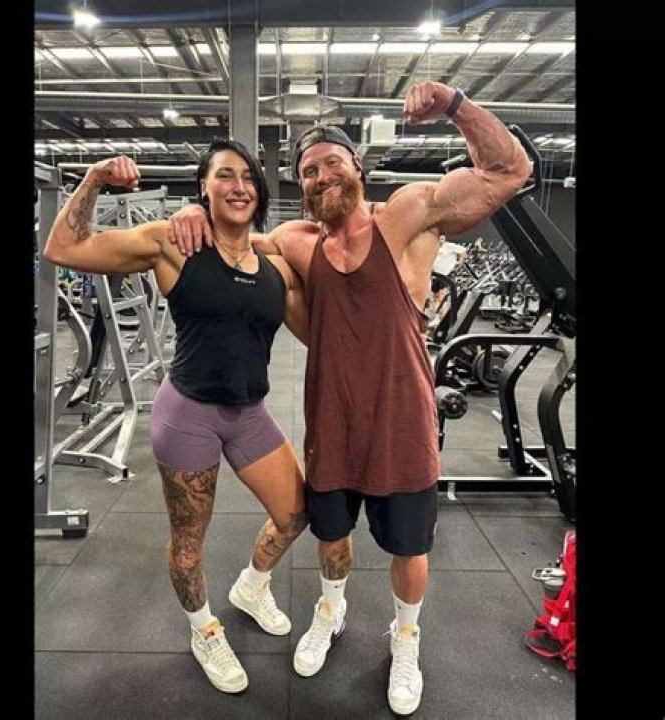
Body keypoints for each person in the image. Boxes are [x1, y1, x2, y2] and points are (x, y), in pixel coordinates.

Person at [168, 81, 531, 715]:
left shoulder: (410, 213)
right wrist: (191, 212)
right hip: (331, 423)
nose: (321, 175)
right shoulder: (296, 241)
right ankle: (330, 610)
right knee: (331, 537)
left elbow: (510, 169)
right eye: (308, 171)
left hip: (402, 422)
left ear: (357, 166)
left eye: (332, 162)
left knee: (410, 549)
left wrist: (454, 104)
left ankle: (406, 637)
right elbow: (233, 240)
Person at [42, 138, 310, 695]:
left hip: (249, 412)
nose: (239, 186)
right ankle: (203, 629)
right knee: (189, 542)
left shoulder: (274, 263)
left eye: (248, 177)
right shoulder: (173, 244)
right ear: (204, 188)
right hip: (188, 414)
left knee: (296, 514)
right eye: (224, 175)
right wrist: (94, 178)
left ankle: (251, 586)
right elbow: (64, 248)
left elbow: (327, 306)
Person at [429, 235, 468, 327]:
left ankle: (444, 320)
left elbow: (463, 250)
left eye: (442, 239)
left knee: (441, 297)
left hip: (445, 275)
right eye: (439, 239)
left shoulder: (449, 246)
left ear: (444, 239)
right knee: (436, 297)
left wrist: (460, 261)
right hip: (435, 275)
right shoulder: (435, 247)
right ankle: (438, 318)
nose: (440, 241)